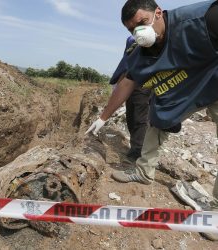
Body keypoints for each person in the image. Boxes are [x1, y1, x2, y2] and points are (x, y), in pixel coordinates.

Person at [85, 0, 218, 241]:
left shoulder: (204, 18)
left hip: (215, 78)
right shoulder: (141, 51)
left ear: (158, 13)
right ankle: (145, 172)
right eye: (131, 29)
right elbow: (127, 82)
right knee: (159, 117)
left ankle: (217, 212)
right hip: (185, 85)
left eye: (142, 23)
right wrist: (103, 118)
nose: (138, 32)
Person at [109, 36, 151, 162]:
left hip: (145, 84)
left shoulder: (149, 42)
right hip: (130, 84)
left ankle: (137, 152)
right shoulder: (131, 43)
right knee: (130, 116)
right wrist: (118, 85)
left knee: (140, 118)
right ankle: (136, 147)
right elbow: (125, 65)